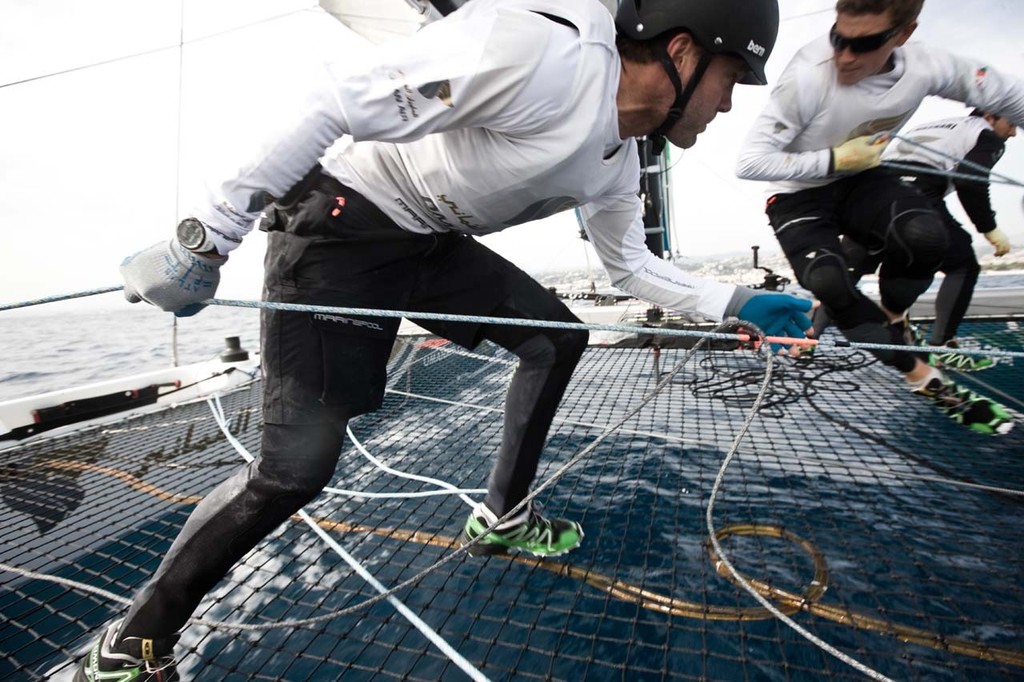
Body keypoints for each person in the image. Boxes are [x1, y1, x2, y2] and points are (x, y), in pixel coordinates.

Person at [75, 0, 815, 679]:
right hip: (342, 221)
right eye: (731, 78)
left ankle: (503, 515)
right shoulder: (544, 52)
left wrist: (739, 302)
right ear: (682, 51)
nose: (729, 102)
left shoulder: (619, 154)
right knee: (292, 472)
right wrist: (206, 241)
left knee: (557, 338)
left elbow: (630, 266)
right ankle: (131, 642)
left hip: (427, 238)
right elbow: (336, 100)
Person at [735, 0, 1021, 435]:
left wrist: (848, 164)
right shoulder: (809, 74)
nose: (845, 57)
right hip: (797, 195)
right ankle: (925, 378)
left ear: (903, 35)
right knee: (830, 283)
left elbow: (1008, 96)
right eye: (839, 38)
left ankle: (893, 316)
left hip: (862, 178)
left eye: (864, 44)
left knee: (926, 237)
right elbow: (751, 162)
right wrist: (833, 159)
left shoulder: (928, 65)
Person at [882, 109, 1017, 369]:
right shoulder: (986, 135)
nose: (1013, 132)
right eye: (1011, 124)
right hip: (917, 194)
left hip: (874, 193)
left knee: (854, 263)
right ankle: (943, 345)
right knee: (963, 265)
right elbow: (970, 181)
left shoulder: (934, 124)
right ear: (990, 116)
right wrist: (988, 228)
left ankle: (811, 341)